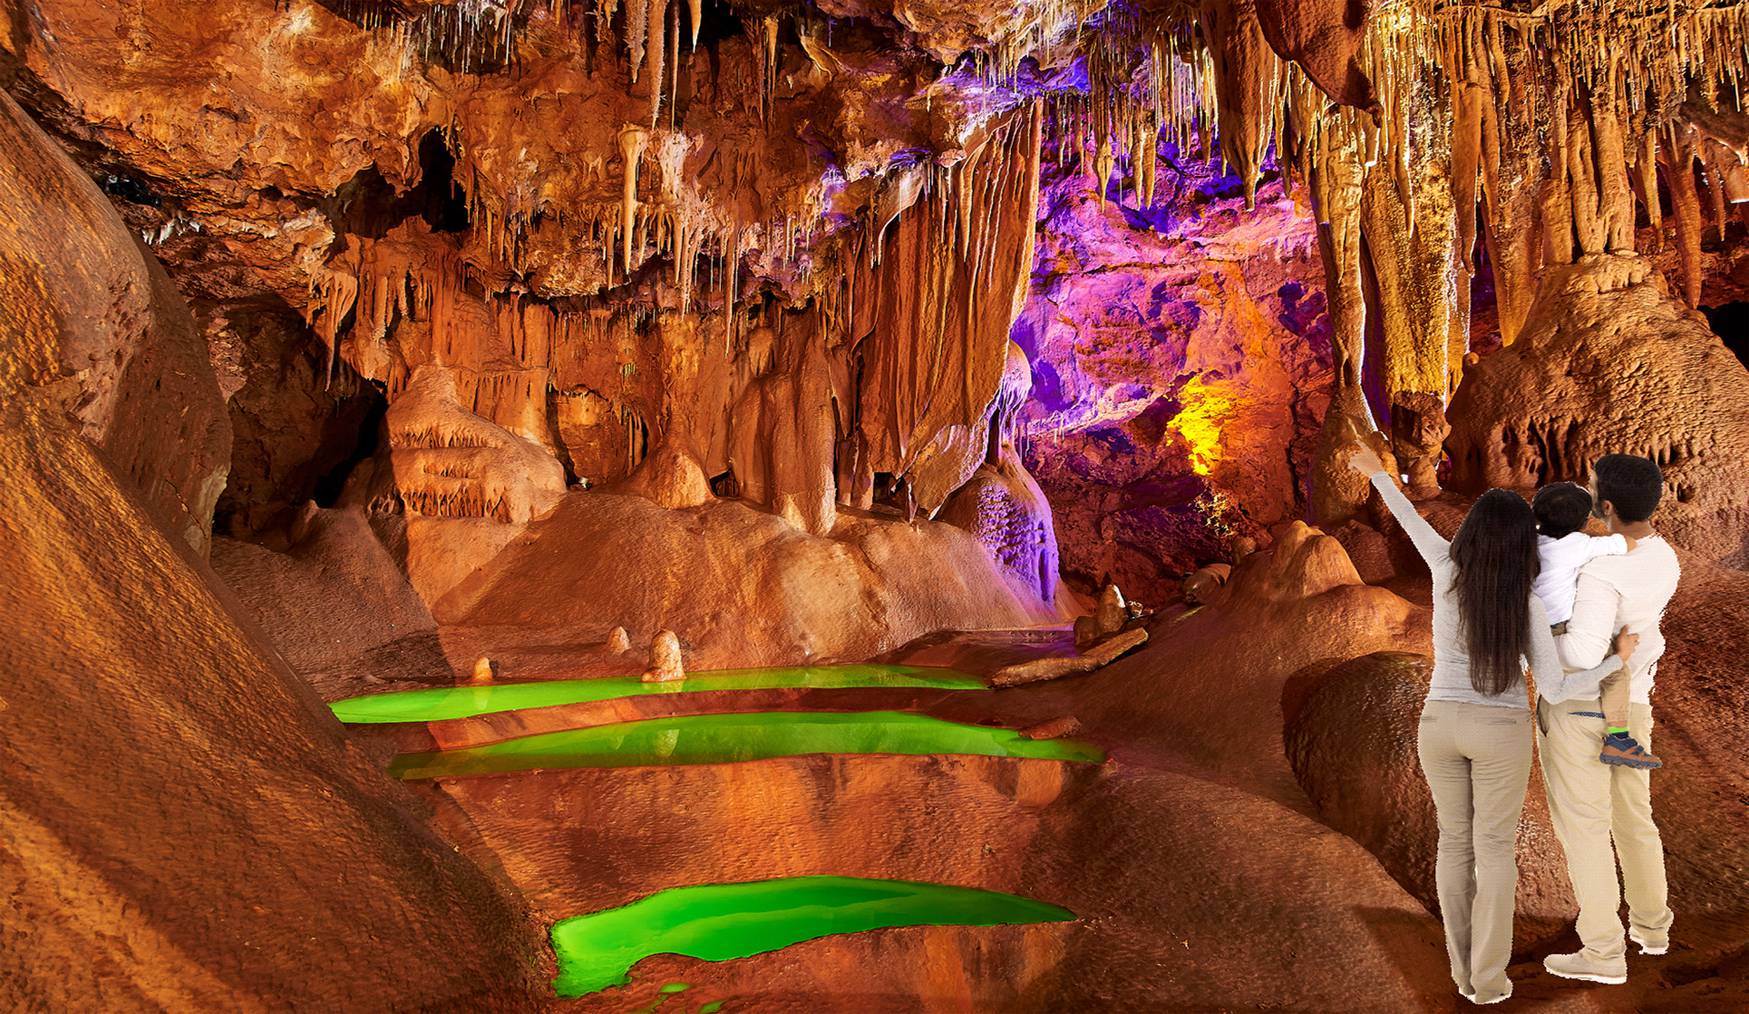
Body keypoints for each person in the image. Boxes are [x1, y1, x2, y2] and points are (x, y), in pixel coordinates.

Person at [1350, 446, 1634, 1006]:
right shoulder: (1526, 601)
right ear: (1521, 542)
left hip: (1439, 724)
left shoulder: (1446, 567)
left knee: (1454, 844)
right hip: (1500, 728)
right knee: (1494, 851)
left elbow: (1410, 518)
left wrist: (1378, 473)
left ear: (1472, 533)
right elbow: (1554, 688)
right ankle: (1488, 980)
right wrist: (1615, 660)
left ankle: (1462, 973)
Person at [1534, 454, 1682, 985]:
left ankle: (1602, 952)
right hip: (1634, 704)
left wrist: (1538, 635)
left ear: (1608, 505)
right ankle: (1652, 928)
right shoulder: (1665, 556)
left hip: (1581, 710)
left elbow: (1581, 651)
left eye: (1593, 487)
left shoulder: (1598, 570)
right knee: (1635, 819)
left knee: (1587, 831)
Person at [1529, 483, 1658, 768]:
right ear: (1585, 519)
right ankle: (1618, 739)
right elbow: (1628, 544)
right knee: (1616, 669)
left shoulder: (1530, 541)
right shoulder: (1575, 545)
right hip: (1558, 630)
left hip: (1529, 632)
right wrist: (1600, 530)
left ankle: (1545, 721)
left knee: (1551, 680)